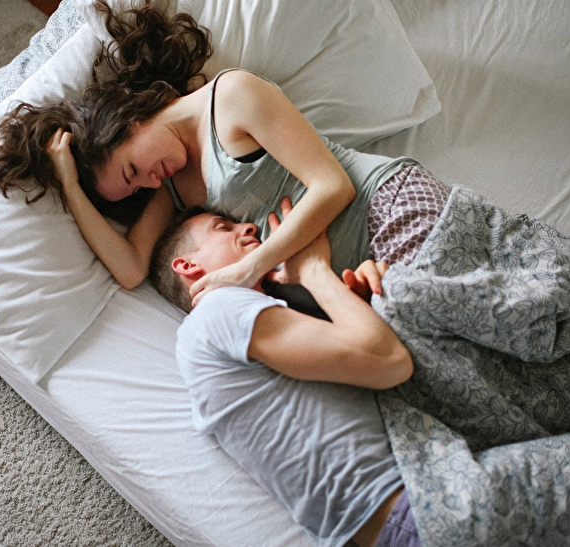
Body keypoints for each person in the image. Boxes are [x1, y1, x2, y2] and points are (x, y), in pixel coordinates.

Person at [0, 0, 437, 309]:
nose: (149, 181)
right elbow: (131, 268)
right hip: (361, 280)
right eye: (136, 186)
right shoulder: (173, 188)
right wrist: (69, 184)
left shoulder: (233, 97)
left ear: (129, 121)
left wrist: (248, 268)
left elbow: (333, 186)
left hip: (388, 209)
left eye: (132, 169)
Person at [150, 203, 418, 547]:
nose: (248, 227)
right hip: (413, 508)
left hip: (400, 514)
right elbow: (389, 361)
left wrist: (366, 306)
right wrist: (314, 270)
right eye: (223, 228)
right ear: (188, 265)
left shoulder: (224, 334)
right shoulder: (217, 310)